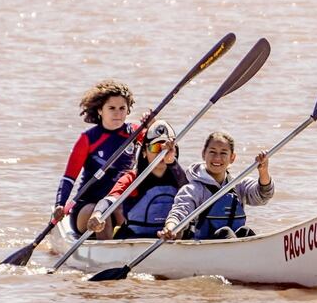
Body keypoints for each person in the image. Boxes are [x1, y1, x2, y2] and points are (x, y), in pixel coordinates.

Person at [53, 80, 141, 236]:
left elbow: (159, 148)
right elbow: (69, 178)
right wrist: (60, 204)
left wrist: (154, 124)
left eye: (122, 108)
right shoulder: (88, 139)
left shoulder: (135, 132)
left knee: (125, 210)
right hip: (88, 206)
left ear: (128, 111)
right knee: (100, 215)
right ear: (100, 110)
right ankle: (105, 254)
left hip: (119, 202)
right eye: (111, 108)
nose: (118, 113)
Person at [158, 131, 274, 241]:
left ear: (232, 158)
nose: (217, 158)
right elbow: (179, 213)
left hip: (235, 248)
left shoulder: (239, 185)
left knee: (245, 232)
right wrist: (170, 228)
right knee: (225, 232)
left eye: (223, 153)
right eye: (212, 152)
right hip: (204, 248)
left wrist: (263, 171)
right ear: (204, 154)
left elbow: (263, 196)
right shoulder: (193, 190)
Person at [87, 120, 188, 239]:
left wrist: (172, 163)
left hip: (169, 238)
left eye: (167, 148)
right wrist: (97, 213)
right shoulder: (132, 179)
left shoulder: (180, 177)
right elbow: (108, 201)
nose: (162, 154)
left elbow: (188, 192)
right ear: (145, 151)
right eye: (156, 147)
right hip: (135, 240)